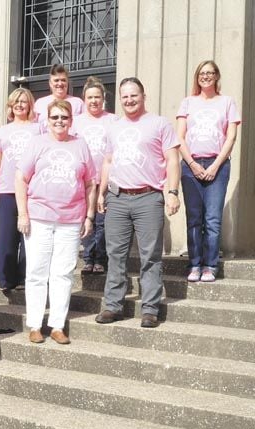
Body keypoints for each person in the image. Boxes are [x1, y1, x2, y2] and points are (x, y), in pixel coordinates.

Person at [95, 77, 181, 328]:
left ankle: (150, 309)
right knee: (115, 255)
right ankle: (112, 306)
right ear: (119, 99)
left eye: (134, 95)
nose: (129, 100)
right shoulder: (114, 127)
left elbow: (173, 160)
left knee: (150, 256)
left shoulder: (160, 124)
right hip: (118, 197)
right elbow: (108, 162)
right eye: (125, 96)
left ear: (144, 96)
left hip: (148, 197)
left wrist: (173, 192)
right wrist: (102, 193)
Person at [16, 100, 96, 344]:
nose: (59, 121)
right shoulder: (37, 143)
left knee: (63, 273)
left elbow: (90, 182)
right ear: (47, 120)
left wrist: (89, 215)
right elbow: (21, 178)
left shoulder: (80, 145)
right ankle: (35, 324)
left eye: (64, 117)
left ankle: (58, 325)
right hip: (39, 216)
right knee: (37, 272)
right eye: (55, 117)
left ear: (71, 121)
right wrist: (23, 214)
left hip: (71, 219)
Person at [177, 60, 240, 282]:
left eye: (210, 73)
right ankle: (194, 264)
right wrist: (193, 164)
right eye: (202, 73)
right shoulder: (187, 103)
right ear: (197, 77)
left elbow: (231, 137)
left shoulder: (227, 102)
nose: (206, 76)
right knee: (194, 218)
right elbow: (180, 137)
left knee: (212, 219)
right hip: (190, 165)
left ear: (216, 76)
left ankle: (210, 266)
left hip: (218, 165)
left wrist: (215, 166)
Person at [0, 87, 41, 291]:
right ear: (11, 106)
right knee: (6, 236)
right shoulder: (3, 130)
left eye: (24, 101)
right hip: (6, 188)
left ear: (30, 104)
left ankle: (24, 277)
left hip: (32, 188)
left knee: (28, 235)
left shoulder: (39, 129)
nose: (20, 105)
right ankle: (6, 279)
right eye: (16, 102)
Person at [72, 77, 118, 274]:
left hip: (106, 179)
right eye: (90, 97)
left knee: (102, 221)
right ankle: (88, 257)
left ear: (103, 98)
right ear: (84, 99)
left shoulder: (113, 120)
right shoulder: (76, 122)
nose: (93, 101)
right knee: (86, 219)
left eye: (97, 97)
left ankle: (101, 258)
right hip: (84, 180)